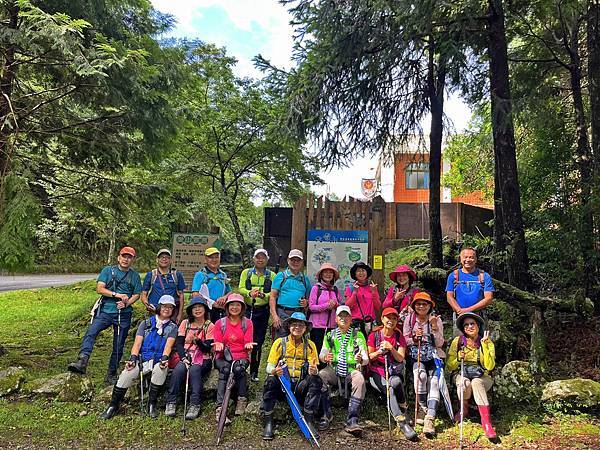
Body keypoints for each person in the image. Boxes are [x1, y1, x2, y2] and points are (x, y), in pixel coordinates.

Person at [68, 246, 142, 385]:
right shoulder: (108, 271)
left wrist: (126, 303)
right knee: (91, 332)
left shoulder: (134, 276)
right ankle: (82, 360)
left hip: (123, 314)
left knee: (118, 344)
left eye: (129, 257)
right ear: (118, 257)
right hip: (105, 311)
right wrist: (117, 295)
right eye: (124, 256)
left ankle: (111, 373)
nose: (126, 259)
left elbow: (137, 294)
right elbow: (100, 288)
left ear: (132, 260)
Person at [100, 295, 177, 419]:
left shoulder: (173, 328)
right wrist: (133, 358)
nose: (167, 309)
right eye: (164, 306)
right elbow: (137, 343)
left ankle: (152, 403)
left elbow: (168, 346)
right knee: (127, 373)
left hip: (158, 359)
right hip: (143, 358)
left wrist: (164, 358)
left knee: (160, 369)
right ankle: (113, 406)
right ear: (159, 307)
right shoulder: (145, 324)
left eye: (170, 307)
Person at [262, 312, 322, 441]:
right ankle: (268, 422)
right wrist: (274, 371)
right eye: (294, 324)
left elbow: (314, 367)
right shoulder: (279, 342)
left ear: (305, 328)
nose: (297, 328)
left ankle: (309, 420)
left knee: (316, 380)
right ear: (289, 326)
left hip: (300, 387)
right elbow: (268, 367)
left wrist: (314, 371)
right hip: (282, 386)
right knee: (270, 381)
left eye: (301, 325)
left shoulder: (310, 345)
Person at [164, 285, 214, 420]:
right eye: (194, 308)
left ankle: (195, 403)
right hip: (186, 355)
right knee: (179, 369)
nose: (197, 310)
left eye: (200, 307)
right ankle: (171, 401)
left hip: (203, 358)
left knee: (195, 370)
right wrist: (183, 358)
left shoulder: (210, 325)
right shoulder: (185, 323)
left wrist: (197, 341)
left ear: (205, 309)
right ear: (190, 310)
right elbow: (179, 343)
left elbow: (207, 348)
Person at [367, 307, 417, 441]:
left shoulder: (398, 336)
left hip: (393, 370)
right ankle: (402, 422)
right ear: (382, 319)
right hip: (377, 371)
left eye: (394, 318)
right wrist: (379, 352)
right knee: (390, 389)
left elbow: (400, 357)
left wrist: (391, 348)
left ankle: (403, 407)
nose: (391, 321)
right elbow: (369, 356)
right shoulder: (374, 335)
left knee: (395, 382)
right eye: (388, 317)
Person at [318, 305, 369, 435]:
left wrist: (361, 359)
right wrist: (325, 357)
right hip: (333, 367)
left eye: (346, 316)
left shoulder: (358, 335)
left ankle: (352, 419)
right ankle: (325, 414)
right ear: (336, 319)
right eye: (341, 316)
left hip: (351, 368)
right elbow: (322, 352)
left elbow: (365, 357)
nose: (343, 318)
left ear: (351, 319)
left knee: (359, 380)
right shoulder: (330, 335)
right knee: (321, 376)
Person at [447, 312, 497, 440]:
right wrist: (458, 358)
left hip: (482, 377)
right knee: (464, 383)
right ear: (463, 329)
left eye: (472, 323)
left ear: (478, 326)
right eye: (466, 325)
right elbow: (450, 366)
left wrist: (485, 346)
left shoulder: (486, 342)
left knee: (475, 382)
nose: (469, 326)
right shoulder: (457, 342)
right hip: (462, 374)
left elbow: (490, 366)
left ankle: (486, 423)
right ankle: (464, 410)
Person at [403, 292, 444, 437]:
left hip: (433, 356)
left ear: (429, 306)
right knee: (420, 376)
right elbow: (405, 339)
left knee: (434, 382)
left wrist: (433, 327)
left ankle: (430, 417)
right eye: (418, 304)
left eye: (424, 304)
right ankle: (422, 407)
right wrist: (415, 338)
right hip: (417, 356)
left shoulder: (435, 320)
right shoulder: (410, 319)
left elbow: (440, 343)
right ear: (414, 306)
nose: (421, 306)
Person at [213, 293, 255, 424]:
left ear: (242, 308)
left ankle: (241, 399)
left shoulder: (247, 323)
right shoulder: (220, 323)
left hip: (241, 356)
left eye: (238, 305)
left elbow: (248, 342)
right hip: (223, 356)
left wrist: (248, 346)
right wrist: (218, 345)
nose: (234, 307)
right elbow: (217, 342)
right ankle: (220, 407)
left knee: (238, 369)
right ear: (227, 307)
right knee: (225, 370)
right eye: (232, 304)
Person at [238, 248, 275, 381]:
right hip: (247, 310)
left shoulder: (272, 275)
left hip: (263, 311)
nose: (260, 259)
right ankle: (241, 366)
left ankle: (254, 372)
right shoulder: (246, 273)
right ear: (253, 259)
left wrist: (263, 295)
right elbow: (241, 288)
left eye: (263, 257)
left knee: (258, 342)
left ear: (267, 259)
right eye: (258, 257)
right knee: (243, 339)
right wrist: (249, 293)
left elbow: (274, 293)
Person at [446, 248, 494, 328]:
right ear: (460, 259)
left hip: (479, 315)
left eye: (471, 257)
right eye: (465, 257)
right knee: (460, 340)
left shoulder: (484, 276)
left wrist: (468, 310)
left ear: (476, 259)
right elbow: (449, 297)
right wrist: (459, 310)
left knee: (481, 340)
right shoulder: (453, 276)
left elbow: (488, 298)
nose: (468, 260)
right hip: (459, 316)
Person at [270, 249, 312, 339]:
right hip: (282, 313)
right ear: (288, 260)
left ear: (302, 262)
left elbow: (309, 299)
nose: (295, 262)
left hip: (299, 314)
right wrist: (274, 316)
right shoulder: (281, 276)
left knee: (298, 340)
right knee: (281, 341)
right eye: (293, 260)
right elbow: (272, 297)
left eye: (298, 260)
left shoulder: (305, 279)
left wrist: (306, 302)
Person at [140, 248, 186, 323]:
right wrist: (147, 305)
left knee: (171, 333)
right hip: (155, 311)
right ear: (157, 260)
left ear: (171, 260)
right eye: (162, 257)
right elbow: (144, 294)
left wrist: (180, 314)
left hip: (172, 312)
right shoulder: (151, 275)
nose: (164, 259)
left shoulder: (176, 275)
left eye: (167, 257)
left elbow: (181, 295)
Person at [191, 247, 231, 324]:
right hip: (206, 311)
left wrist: (224, 297)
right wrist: (213, 304)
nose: (214, 260)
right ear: (205, 259)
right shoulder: (200, 274)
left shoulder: (223, 275)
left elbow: (229, 292)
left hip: (221, 310)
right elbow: (195, 294)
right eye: (211, 257)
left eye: (216, 257)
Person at [308, 262, 340, 352]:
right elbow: (311, 307)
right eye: (325, 272)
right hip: (317, 327)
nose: (328, 274)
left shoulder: (335, 289)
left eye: (330, 272)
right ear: (321, 275)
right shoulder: (316, 288)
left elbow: (339, 307)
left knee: (330, 352)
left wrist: (335, 305)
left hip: (332, 326)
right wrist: (326, 306)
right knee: (317, 351)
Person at [344, 261, 381, 338]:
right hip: (355, 324)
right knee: (357, 348)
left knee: (370, 347)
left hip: (370, 323)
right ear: (355, 274)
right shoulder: (350, 288)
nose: (361, 273)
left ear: (367, 273)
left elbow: (378, 307)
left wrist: (374, 292)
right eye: (358, 271)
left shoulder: (372, 287)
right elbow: (347, 306)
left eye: (363, 270)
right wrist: (354, 293)